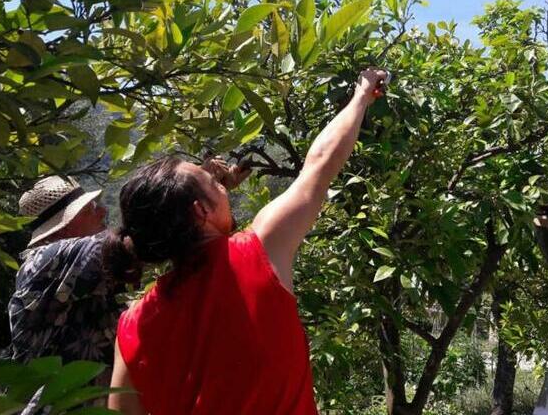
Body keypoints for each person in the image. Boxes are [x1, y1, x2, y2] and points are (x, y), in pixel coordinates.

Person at [107, 68, 388, 415]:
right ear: (199, 211)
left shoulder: (133, 324)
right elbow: (320, 164)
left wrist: (210, 200)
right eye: (214, 184)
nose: (224, 185)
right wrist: (361, 97)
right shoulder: (259, 250)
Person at [8, 175, 138, 366]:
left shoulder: (74, 271)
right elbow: (135, 242)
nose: (102, 211)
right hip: (61, 395)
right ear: (62, 230)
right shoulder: (42, 263)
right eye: (89, 209)